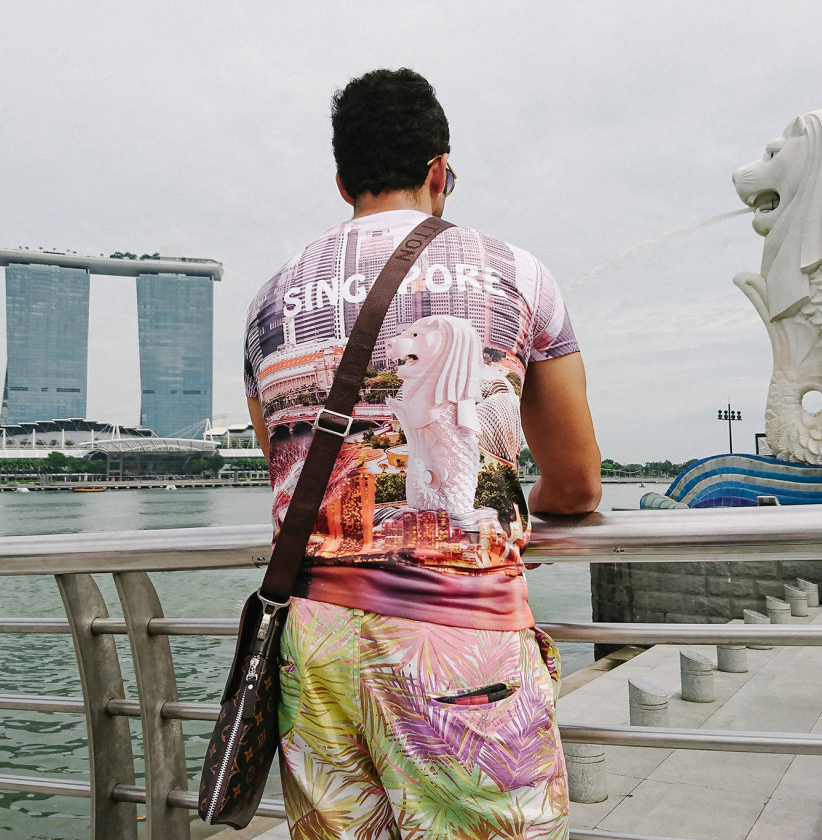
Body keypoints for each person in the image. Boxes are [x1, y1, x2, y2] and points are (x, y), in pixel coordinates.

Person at [242, 67, 601, 840]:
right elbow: (575, 481)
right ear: (441, 172)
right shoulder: (519, 274)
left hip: (315, 644)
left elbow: (287, 469)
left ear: (342, 182)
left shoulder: (268, 301)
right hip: (459, 635)